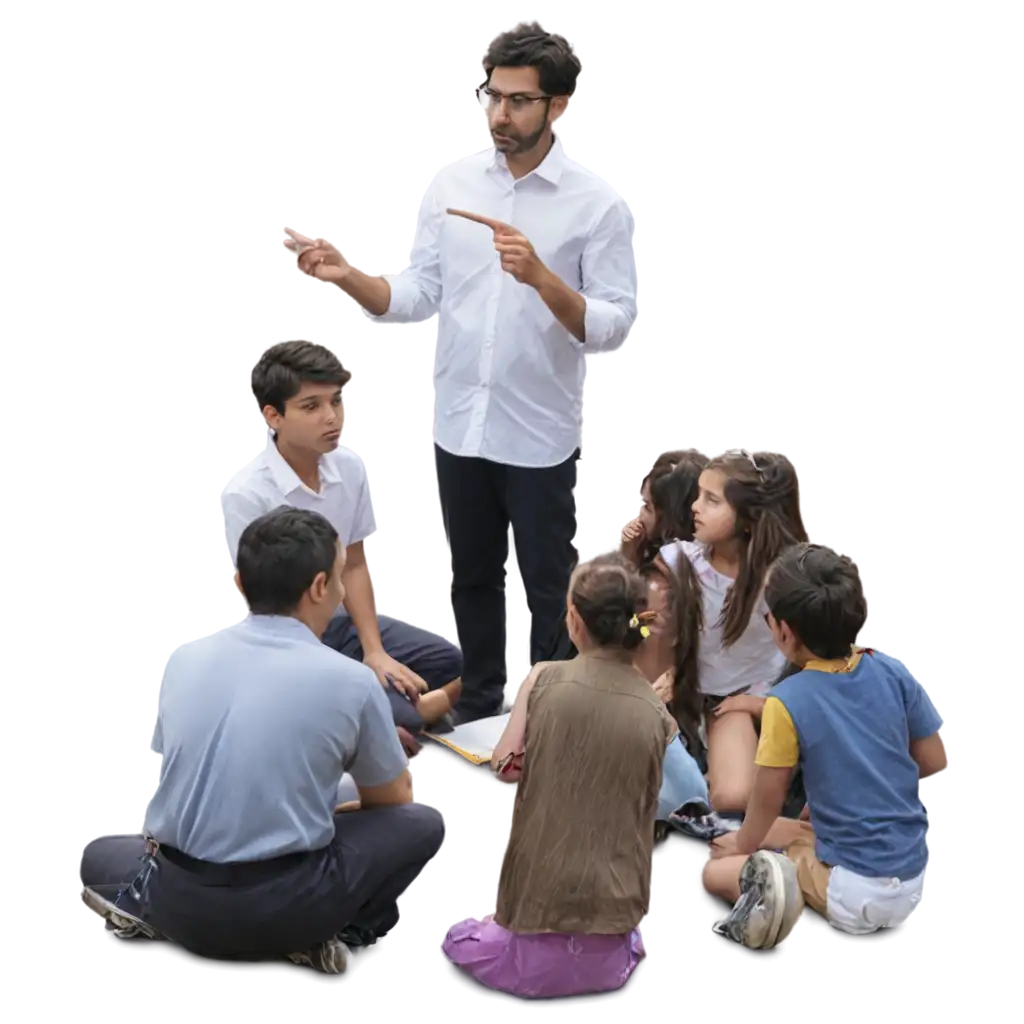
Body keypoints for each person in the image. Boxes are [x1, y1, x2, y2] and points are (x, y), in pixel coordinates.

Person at [280, 24, 636, 724]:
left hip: (539, 436)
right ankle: (478, 717)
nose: (499, 116)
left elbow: (612, 325)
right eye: (492, 98)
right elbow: (418, 292)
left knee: (542, 592)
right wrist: (345, 277)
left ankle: (546, 727)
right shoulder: (450, 181)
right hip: (459, 430)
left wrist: (542, 278)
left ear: (557, 108)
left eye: (519, 102)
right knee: (471, 583)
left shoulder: (599, 201)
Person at [74, 507, 448, 973]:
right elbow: (391, 798)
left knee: (98, 852)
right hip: (283, 907)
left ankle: (147, 907)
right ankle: (335, 935)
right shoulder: (352, 681)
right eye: (338, 575)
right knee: (422, 826)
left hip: (176, 894)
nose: (341, 587)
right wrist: (347, 777)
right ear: (317, 588)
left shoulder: (183, 656)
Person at [440, 547, 675, 1000]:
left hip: (531, 924)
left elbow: (507, 769)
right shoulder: (655, 712)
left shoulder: (545, 679)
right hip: (611, 951)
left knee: (458, 937)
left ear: (574, 621)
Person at [697, 543, 949, 951]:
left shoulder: (787, 700)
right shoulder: (890, 673)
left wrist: (744, 844)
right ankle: (793, 873)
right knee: (794, 830)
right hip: (913, 879)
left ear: (783, 631)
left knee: (715, 871)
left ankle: (774, 897)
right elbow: (935, 760)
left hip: (854, 894)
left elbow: (768, 794)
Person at [216, 340, 463, 733]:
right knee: (347, 700)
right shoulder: (246, 491)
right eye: (311, 406)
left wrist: (374, 651)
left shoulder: (350, 467)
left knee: (449, 661)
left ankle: (382, 718)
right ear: (273, 417)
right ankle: (400, 717)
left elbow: (357, 559)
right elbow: (246, 584)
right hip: (286, 639)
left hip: (340, 621)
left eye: (335, 401)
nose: (331, 417)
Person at [658, 447, 807, 814]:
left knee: (734, 798)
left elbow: (817, 653)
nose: (695, 507)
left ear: (747, 519)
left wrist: (755, 704)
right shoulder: (677, 562)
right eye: (697, 496)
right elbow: (645, 628)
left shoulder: (783, 577)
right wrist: (666, 668)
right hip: (691, 694)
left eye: (711, 500)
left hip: (743, 700)